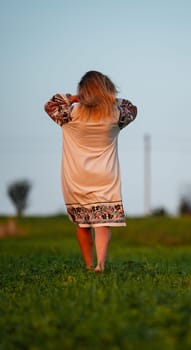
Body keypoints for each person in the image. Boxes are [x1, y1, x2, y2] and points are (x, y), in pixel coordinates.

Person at [44, 71, 137, 272]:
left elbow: (50, 104)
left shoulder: (70, 114)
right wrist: (107, 100)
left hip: (76, 176)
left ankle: (88, 265)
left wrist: (76, 99)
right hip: (105, 176)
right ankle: (100, 265)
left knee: (83, 224)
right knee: (102, 223)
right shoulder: (115, 115)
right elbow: (132, 108)